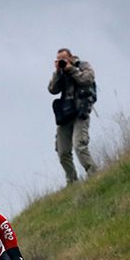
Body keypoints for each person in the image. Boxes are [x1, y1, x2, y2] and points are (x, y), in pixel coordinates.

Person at [48, 47, 96, 184]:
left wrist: (72, 70)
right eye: (58, 60)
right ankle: (72, 181)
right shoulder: (60, 72)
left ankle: (93, 174)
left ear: (70, 57)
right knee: (62, 151)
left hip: (81, 113)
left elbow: (87, 80)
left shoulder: (83, 66)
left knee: (79, 145)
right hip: (65, 114)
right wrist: (58, 72)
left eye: (63, 59)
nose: (61, 62)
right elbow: (52, 89)